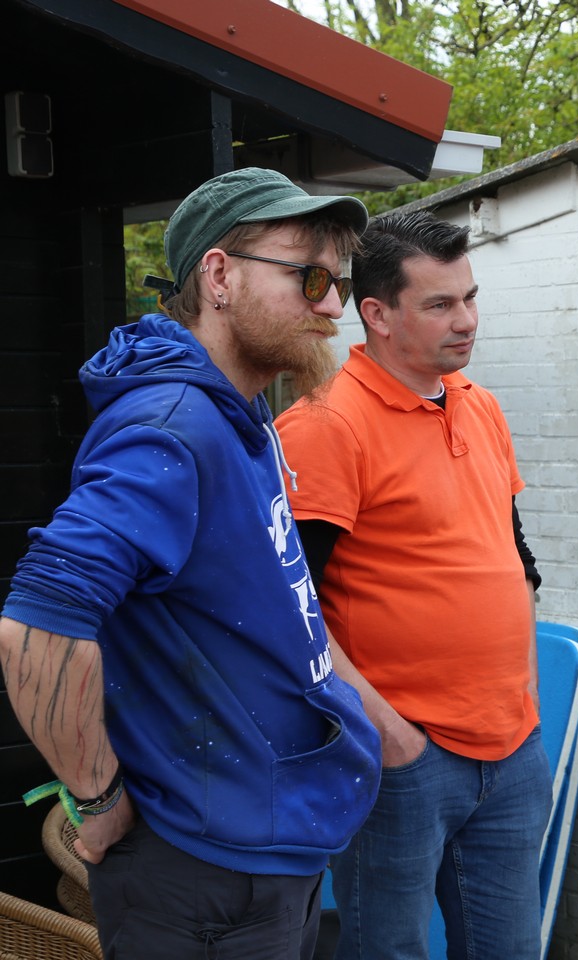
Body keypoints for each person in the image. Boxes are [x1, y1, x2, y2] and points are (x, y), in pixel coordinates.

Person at [0, 166, 382, 957]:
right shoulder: (173, 426)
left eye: (339, 283)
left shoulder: (239, 413)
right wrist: (97, 796)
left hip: (259, 850)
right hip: (204, 874)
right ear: (218, 276)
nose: (333, 306)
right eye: (311, 278)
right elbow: (37, 627)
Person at [276, 209, 547, 959]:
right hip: (404, 760)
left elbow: (516, 559)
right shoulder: (326, 424)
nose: (467, 320)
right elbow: (286, 611)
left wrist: (523, 688)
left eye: (470, 297)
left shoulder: (479, 404)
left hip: (513, 747)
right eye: (440, 304)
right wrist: (390, 736)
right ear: (377, 314)